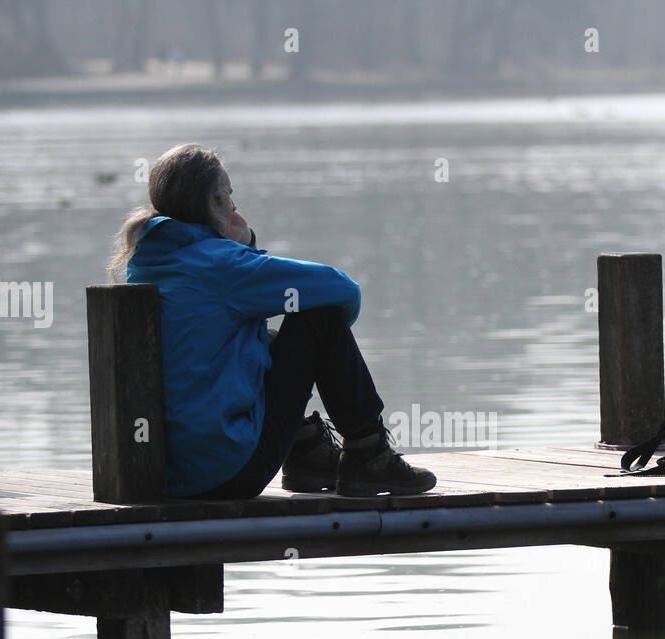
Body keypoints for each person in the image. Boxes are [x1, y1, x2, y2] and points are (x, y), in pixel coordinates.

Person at [106, 143, 436, 499]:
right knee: (320, 317)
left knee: (261, 338)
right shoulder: (226, 266)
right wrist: (246, 244)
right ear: (215, 202)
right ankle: (369, 454)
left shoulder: (147, 261)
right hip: (229, 473)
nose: (234, 206)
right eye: (228, 195)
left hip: (173, 470)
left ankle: (308, 450)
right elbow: (342, 290)